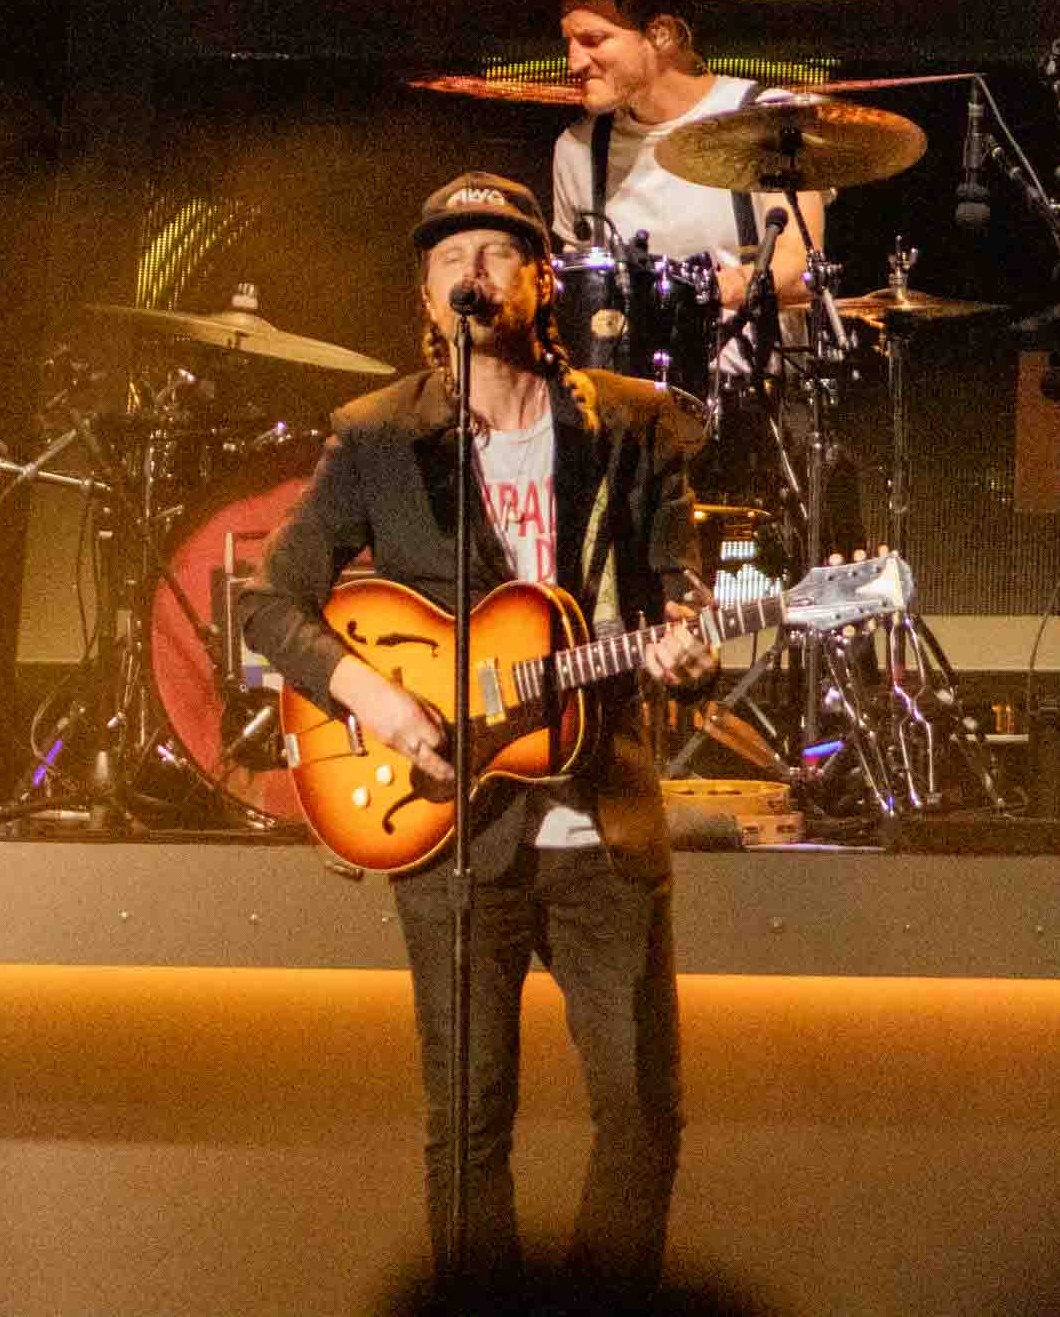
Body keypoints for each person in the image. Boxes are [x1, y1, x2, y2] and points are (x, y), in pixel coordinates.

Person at [234, 173, 716, 1295]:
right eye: (451, 258)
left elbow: (678, 596)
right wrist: (377, 698)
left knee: (643, 1116)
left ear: (541, 279)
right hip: (448, 826)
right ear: (425, 293)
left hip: (601, 819)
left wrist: (691, 648)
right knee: (468, 1124)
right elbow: (269, 604)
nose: (474, 273)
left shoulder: (631, 424)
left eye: (498, 253)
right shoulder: (377, 437)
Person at [542, 0, 823, 326]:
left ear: (663, 34)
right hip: (632, 367)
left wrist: (700, 294)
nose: (574, 62)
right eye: (569, 41)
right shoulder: (577, 148)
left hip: (750, 363)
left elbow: (799, 265)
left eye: (593, 40)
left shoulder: (766, 117)